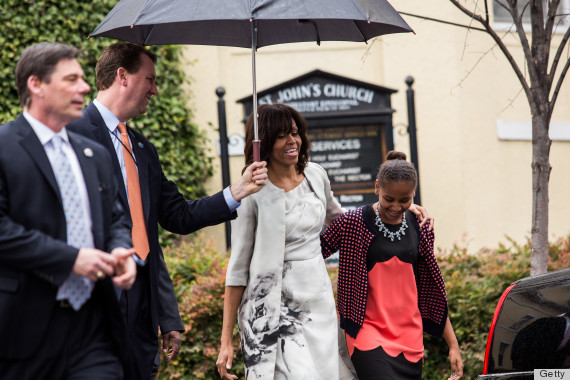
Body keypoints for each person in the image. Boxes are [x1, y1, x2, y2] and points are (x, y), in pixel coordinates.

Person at [67, 42, 267, 379]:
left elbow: (178, 217)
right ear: (123, 77)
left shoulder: (143, 149)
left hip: (143, 307)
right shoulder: (70, 136)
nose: (155, 90)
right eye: (150, 79)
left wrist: (238, 191)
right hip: (94, 302)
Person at [216, 105, 431, 379]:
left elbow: (346, 221)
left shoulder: (316, 175)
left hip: (318, 302)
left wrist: (397, 210)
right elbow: (237, 269)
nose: (292, 141)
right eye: (282, 135)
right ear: (265, 142)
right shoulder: (250, 191)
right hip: (273, 308)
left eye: (295, 132)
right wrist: (226, 341)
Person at [0, 42, 137, 379]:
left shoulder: (94, 154)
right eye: (71, 79)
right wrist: (70, 258)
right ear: (36, 85)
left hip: (94, 329)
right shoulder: (4, 147)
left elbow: (116, 217)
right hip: (22, 331)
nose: (85, 87)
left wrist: (120, 249)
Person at [320, 151, 464, 380]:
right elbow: (312, 252)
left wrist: (453, 345)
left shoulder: (421, 226)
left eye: (404, 200)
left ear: (413, 194)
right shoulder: (352, 222)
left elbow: (431, 287)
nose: (396, 206)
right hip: (367, 332)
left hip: (410, 338)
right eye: (389, 199)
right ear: (377, 187)